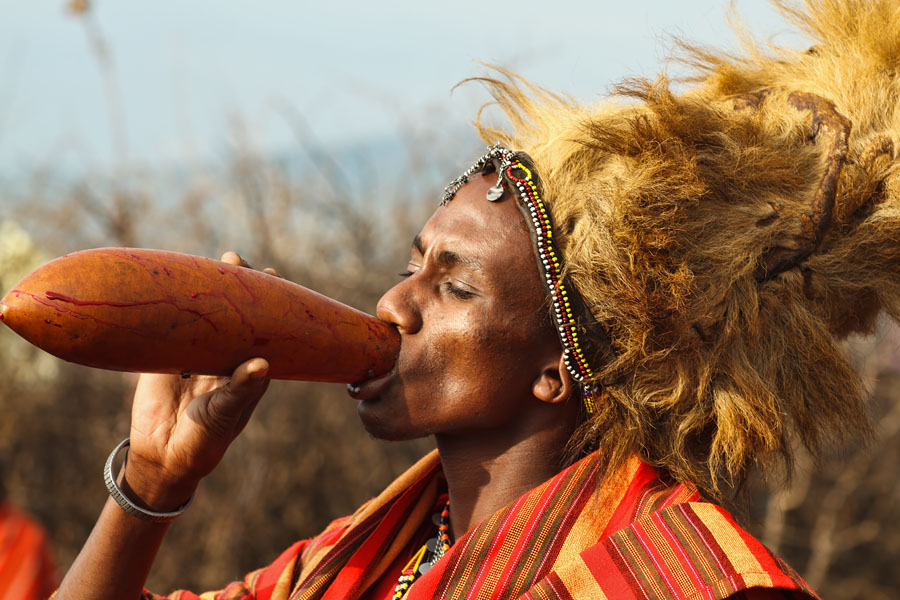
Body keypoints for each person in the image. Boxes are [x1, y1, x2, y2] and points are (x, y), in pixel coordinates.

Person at [56, 1, 900, 598]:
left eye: (454, 285)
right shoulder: (370, 563)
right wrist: (154, 481)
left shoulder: (682, 578)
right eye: (413, 264)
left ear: (554, 372)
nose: (393, 303)